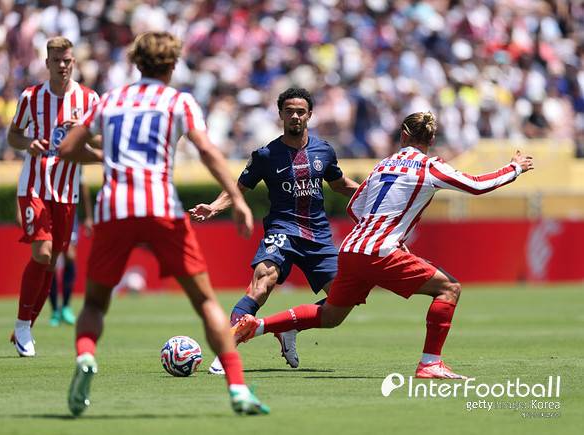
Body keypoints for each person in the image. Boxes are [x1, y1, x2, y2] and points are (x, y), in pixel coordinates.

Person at [231, 111, 535, 379]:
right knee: (449, 288)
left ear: (403, 135)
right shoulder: (430, 166)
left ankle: (257, 326)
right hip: (381, 251)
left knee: (332, 315)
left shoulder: (383, 165)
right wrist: (514, 168)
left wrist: (374, 231)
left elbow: (355, 206)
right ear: (431, 139)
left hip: (351, 248)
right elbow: (477, 185)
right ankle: (430, 364)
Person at [58, 31, 269, 416]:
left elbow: (67, 148)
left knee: (94, 303)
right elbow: (207, 150)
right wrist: (236, 199)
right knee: (205, 301)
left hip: (113, 208)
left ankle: (86, 356)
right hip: (161, 207)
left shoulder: (109, 100)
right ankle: (238, 388)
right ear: (172, 65)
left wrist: (108, 157)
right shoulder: (178, 101)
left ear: (136, 62)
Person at [189, 87, 359, 374]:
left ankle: (289, 327)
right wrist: (215, 207)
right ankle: (227, 350)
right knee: (262, 283)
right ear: (280, 114)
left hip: (317, 234)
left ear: (310, 115)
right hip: (283, 229)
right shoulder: (266, 155)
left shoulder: (324, 151)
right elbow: (239, 188)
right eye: (289, 111)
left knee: (344, 299)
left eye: (300, 112)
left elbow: (340, 185)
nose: (295, 116)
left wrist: (373, 192)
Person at [7, 36, 101, 357]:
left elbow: (102, 143)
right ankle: (23, 324)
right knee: (43, 253)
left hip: (67, 192)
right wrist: (28, 143)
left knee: (52, 263)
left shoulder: (89, 99)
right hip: (34, 185)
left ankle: (25, 326)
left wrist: (83, 132)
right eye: (56, 60)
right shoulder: (31, 97)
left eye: (67, 60)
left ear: (73, 62)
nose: (62, 65)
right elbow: (13, 135)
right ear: (47, 63)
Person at [48, 180, 93, 326]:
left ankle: (66, 306)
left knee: (69, 255)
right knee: (50, 259)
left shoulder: (76, 165)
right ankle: (55, 310)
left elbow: (83, 186)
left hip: (68, 208)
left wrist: (88, 216)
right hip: (48, 208)